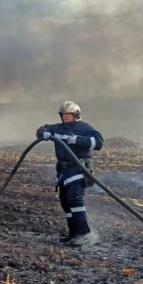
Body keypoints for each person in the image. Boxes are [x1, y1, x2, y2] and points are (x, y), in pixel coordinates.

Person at [36, 101, 104, 246]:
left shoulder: (84, 127)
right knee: (65, 202)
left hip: (79, 168)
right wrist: (45, 133)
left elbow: (98, 142)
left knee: (75, 199)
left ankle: (83, 234)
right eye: (63, 114)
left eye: (68, 114)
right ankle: (73, 233)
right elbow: (41, 129)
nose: (65, 116)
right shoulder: (58, 128)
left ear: (76, 115)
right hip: (63, 171)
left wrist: (77, 140)